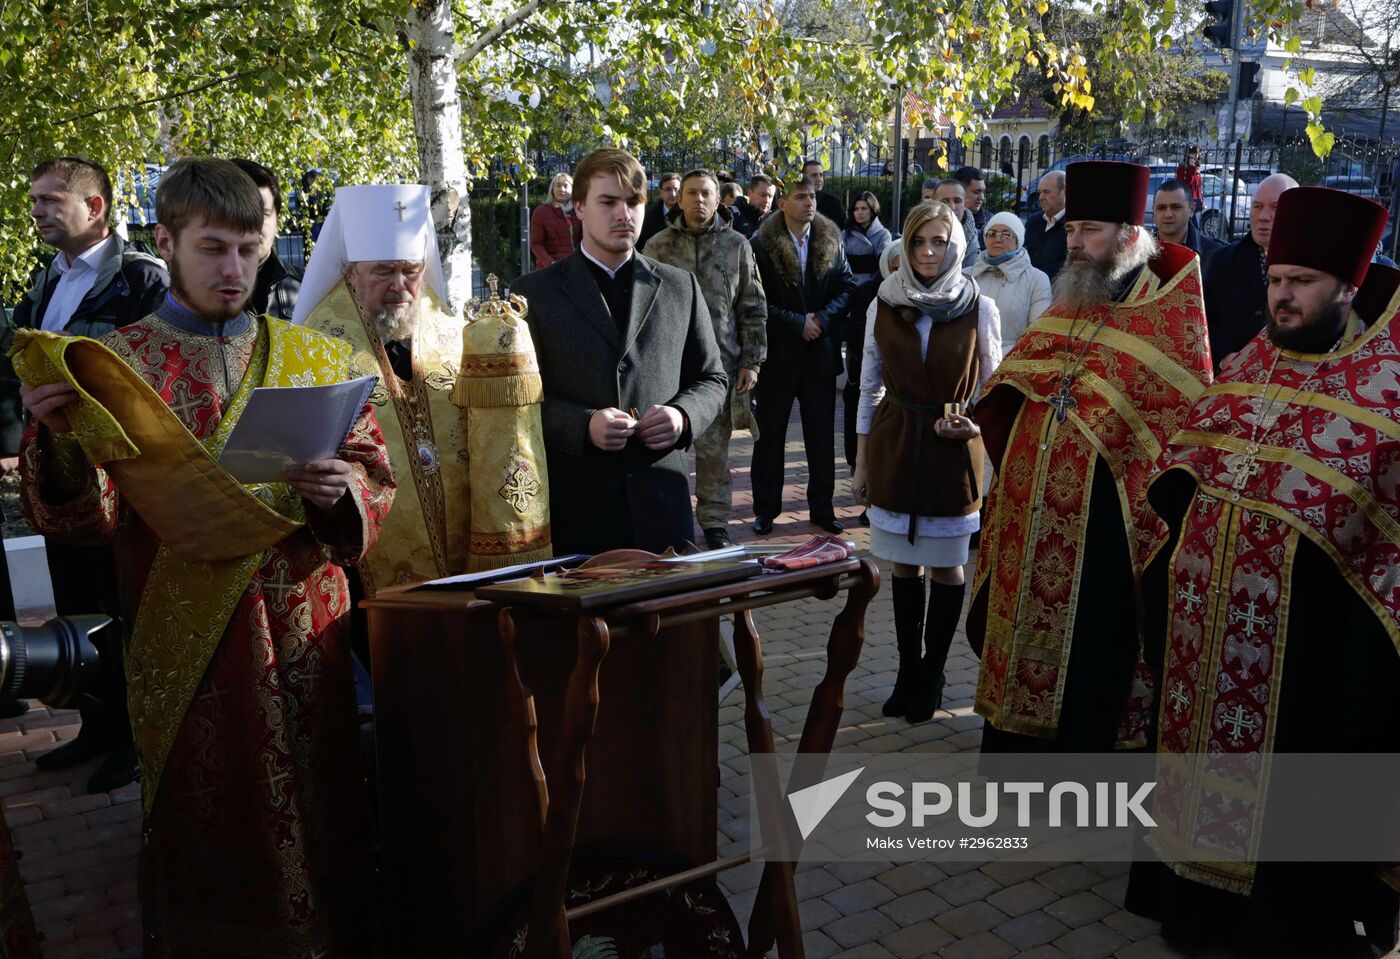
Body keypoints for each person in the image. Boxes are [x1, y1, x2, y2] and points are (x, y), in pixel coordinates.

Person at [17, 157, 392, 956]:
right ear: (166, 241)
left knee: (324, 803)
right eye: (214, 249)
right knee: (210, 816)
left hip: (303, 636)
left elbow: (374, 473)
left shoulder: (316, 357)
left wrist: (344, 489)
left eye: (250, 251)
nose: (234, 271)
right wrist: (57, 437)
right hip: (185, 637)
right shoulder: (117, 366)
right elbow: (88, 518)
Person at [1128, 187, 1398, 958]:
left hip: (1309, 655)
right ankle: (1192, 900)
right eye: (1277, 278)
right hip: (1204, 643)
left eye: (1303, 281)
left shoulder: (1383, 392)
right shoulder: (1248, 365)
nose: (1283, 294)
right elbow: (1183, 463)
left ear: (1348, 286)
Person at [967, 160, 1213, 753]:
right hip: (1033, 512)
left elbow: (1180, 424)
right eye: (1072, 228)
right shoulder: (1073, 295)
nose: (1073, 243)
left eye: (1090, 231)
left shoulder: (1167, 313)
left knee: (1094, 643)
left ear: (1129, 237)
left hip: (1107, 528)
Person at [2, 157, 168, 791]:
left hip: (120, 479)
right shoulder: (50, 275)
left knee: (121, 605)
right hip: (63, 477)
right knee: (75, 605)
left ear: (94, 207)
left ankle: (134, 741)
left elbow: (151, 381)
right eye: (35, 199)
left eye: (50, 200)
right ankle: (97, 728)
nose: (38, 210)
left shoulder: (143, 281)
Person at [512, 148, 728, 554]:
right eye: (607, 202)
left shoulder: (681, 286)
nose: (623, 214)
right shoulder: (534, 295)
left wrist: (682, 416)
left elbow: (712, 379)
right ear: (578, 207)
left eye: (633, 202)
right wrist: (582, 425)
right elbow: (519, 403)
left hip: (663, 507)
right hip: (579, 511)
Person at [852, 200, 1002, 722]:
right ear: (905, 246)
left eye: (939, 241)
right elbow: (868, 387)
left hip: (951, 450)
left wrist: (975, 424)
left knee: (947, 566)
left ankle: (934, 670)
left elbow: (992, 389)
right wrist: (862, 464)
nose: (929, 252)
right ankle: (907, 668)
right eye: (918, 241)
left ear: (956, 244)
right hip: (896, 441)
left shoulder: (978, 306)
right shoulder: (883, 304)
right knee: (903, 564)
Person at [294, 184, 476, 595]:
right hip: (363, 567)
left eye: (410, 270)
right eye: (382, 271)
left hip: (465, 560)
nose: (400, 285)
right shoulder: (316, 345)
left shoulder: (451, 332)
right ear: (350, 272)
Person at [644, 169, 767, 549]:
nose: (699, 200)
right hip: (668, 367)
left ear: (719, 200)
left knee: (715, 453)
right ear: (678, 199)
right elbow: (640, 311)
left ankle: (715, 524)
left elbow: (753, 305)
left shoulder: (737, 246)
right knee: (668, 449)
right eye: (691, 193)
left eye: (706, 194)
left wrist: (752, 360)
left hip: (719, 368)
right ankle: (671, 521)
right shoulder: (657, 247)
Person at [749, 174, 856, 535]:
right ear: (782, 204)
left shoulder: (831, 238)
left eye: (812, 196)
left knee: (821, 437)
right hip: (778, 355)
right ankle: (765, 509)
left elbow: (847, 287)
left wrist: (822, 320)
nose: (809, 203)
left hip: (820, 355)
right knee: (770, 437)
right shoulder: (760, 244)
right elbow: (755, 301)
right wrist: (797, 323)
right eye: (800, 197)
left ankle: (822, 509)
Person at [1202, 173, 1298, 373]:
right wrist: (1225, 357)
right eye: (1257, 206)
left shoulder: (1313, 270)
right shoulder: (1222, 260)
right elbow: (1204, 320)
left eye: (1275, 207)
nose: (1263, 216)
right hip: (1232, 380)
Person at [966, 211, 1052, 352]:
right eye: (992, 233)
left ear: (1018, 240)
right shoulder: (967, 276)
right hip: (970, 363)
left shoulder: (1036, 279)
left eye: (1006, 234)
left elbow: (1037, 335)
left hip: (1011, 363)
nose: (997, 239)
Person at [230, 159, 302, 320]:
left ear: (278, 219)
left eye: (262, 214)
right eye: (239, 213)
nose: (252, 226)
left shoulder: (308, 290)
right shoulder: (186, 296)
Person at [1152, 177, 1223, 264]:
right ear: (1153, 210)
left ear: (1191, 210)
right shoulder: (1137, 251)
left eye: (1176, 207)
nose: (1168, 215)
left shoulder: (1216, 253)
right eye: (1161, 208)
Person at [529, 172, 580, 268]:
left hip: (575, 267)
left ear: (572, 189)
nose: (562, 189)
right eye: (558, 186)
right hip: (549, 269)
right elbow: (536, 245)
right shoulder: (541, 212)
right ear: (552, 190)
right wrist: (551, 264)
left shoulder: (579, 210)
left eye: (565, 186)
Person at [1024, 170, 1068, 279]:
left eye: (1047, 192)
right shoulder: (1033, 221)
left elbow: (1069, 264)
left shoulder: (1075, 225)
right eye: (1040, 192)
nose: (1040, 197)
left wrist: (1038, 278)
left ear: (1065, 192)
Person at [841, 190, 892, 284]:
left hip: (874, 287)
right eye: (856, 209)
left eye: (864, 208)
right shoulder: (845, 234)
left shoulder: (883, 235)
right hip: (848, 285)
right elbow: (840, 264)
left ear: (872, 211)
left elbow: (883, 266)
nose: (859, 212)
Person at [638, 171, 681, 250]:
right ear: (661, 193)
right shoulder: (649, 217)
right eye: (668, 189)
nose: (673, 194)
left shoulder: (688, 215)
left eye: (676, 189)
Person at [802, 159, 846, 228]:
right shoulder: (795, 202)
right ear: (803, 177)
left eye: (821, 175)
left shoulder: (835, 204)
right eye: (814, 175)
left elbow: (844, 232)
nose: (819, 179)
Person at [731, 174, 776, 238]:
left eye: (770, 196)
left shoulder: (775, 221)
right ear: (749, 193)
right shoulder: (733, 215)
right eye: (762, 195)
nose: (767, 200)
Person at [953, 165, 990, 237]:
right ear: (960, 191)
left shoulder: (991, 222)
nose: (981, 197)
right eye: (976, 192)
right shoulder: (944, 219)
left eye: (983, 192)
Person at [1175, 144, 1204, 217]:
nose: (1195, 156)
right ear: (1188, 154)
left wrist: (1200, 199)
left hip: (1195, 201)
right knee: (1192, 225)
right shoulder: (1182, 168)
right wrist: (1191, 168)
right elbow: (1187, 183)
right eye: (1192, 153)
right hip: (1186, 200)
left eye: (1197, 153)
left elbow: (1198, 187)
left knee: (1191, 224)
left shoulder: (1196, 168)